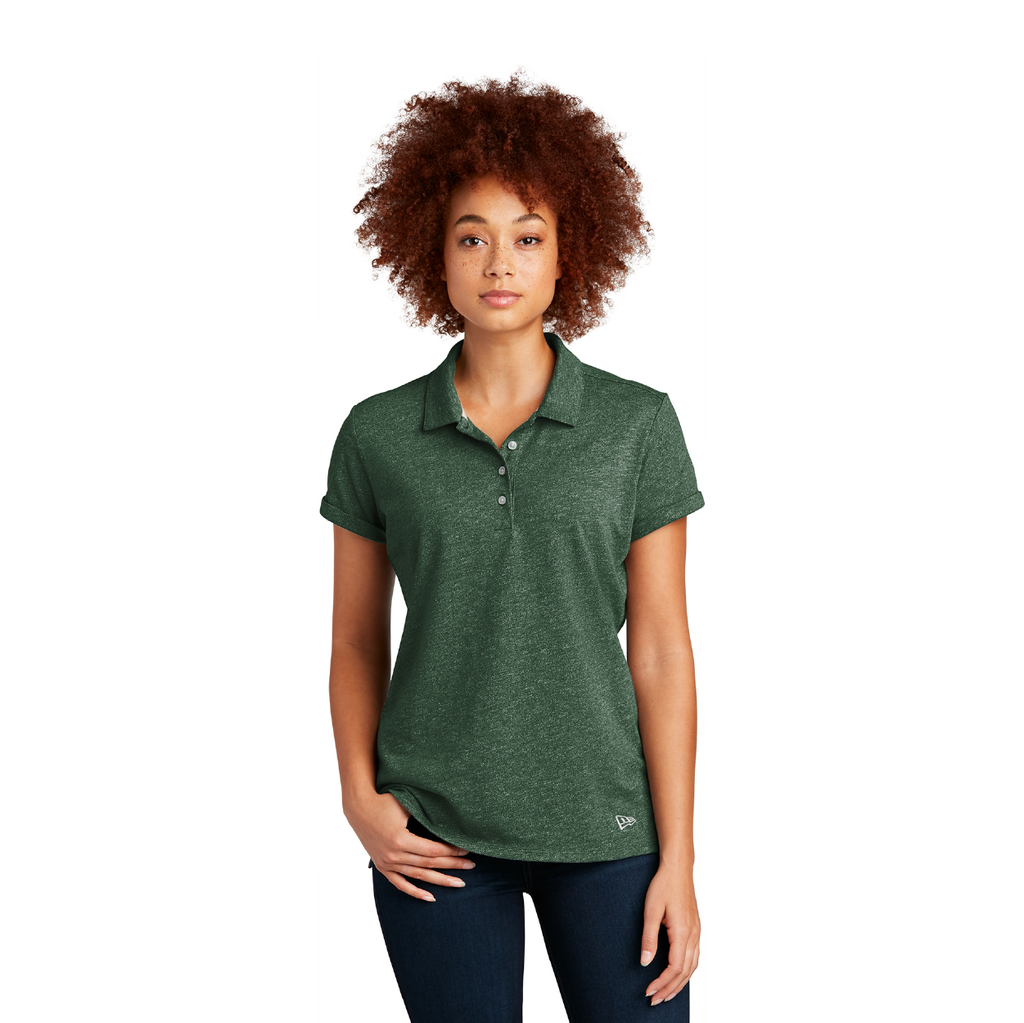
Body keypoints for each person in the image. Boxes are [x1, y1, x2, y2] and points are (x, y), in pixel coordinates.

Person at [320, 73, 705, 1022]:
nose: (501, 262)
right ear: (435, 255)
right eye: (472, 237)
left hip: (608, 827)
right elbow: (357, 639)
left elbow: (661, 649)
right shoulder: (377, 434)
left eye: (528, 237)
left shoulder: (637, 426)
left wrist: (681, 857)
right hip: (434, 835)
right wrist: (360, 798)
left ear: (570, 252)